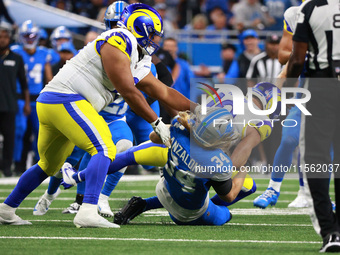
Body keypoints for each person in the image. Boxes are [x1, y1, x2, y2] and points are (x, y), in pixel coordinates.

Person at [0, 3, 192, 228]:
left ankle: (7, 209)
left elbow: (163, 91)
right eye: (153, 35)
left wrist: (201, 109)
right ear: (140, 29)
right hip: (66, 98)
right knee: (104, 148)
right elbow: (128, 89)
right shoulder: (120, 38)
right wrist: (157, 122)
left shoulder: (139, 56)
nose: (156, 41)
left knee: (49, 164)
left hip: (53, 102)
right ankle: (88, 210)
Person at [63, 82, 282, 225]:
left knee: (130, 154)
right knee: (241, 186)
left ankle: (77, 176)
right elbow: (235, 163)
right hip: (205, 162)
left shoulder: (225, 95)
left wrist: (178, 128)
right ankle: (200, 209)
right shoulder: (261, 123)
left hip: (178, 142)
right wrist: (228, 168)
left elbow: (158, 136)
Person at [286, 0, 340, 251]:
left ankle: (330, 232)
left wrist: (286, 91)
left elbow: (296, 59)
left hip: (322, 86)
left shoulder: (310, 7)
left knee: (316, 160)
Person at [253, 5, 308, 209]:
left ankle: (310, 192)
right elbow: (286, 61)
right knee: (290, 139)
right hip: (307, 95)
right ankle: (273, 188)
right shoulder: (297, 15)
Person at [11, 20, 53, 175]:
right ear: (20, 36)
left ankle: (39, 163)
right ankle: (17, 163)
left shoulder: (44, 53)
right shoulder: (15, 51)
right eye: (26, 35)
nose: (29, 39)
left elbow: (49, 78)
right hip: (20, 97)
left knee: (40, 132)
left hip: (39, 98)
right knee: (19, 131)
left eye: (32, 35)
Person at [0, 21, 30, 177]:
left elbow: (24, 83)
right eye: (0, 37)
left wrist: (26, 103)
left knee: (10, 139)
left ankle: (6, 168)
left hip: (9, 104)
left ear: (9, 38)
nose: (3, 39)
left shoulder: (17, 58)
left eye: (5, 36)